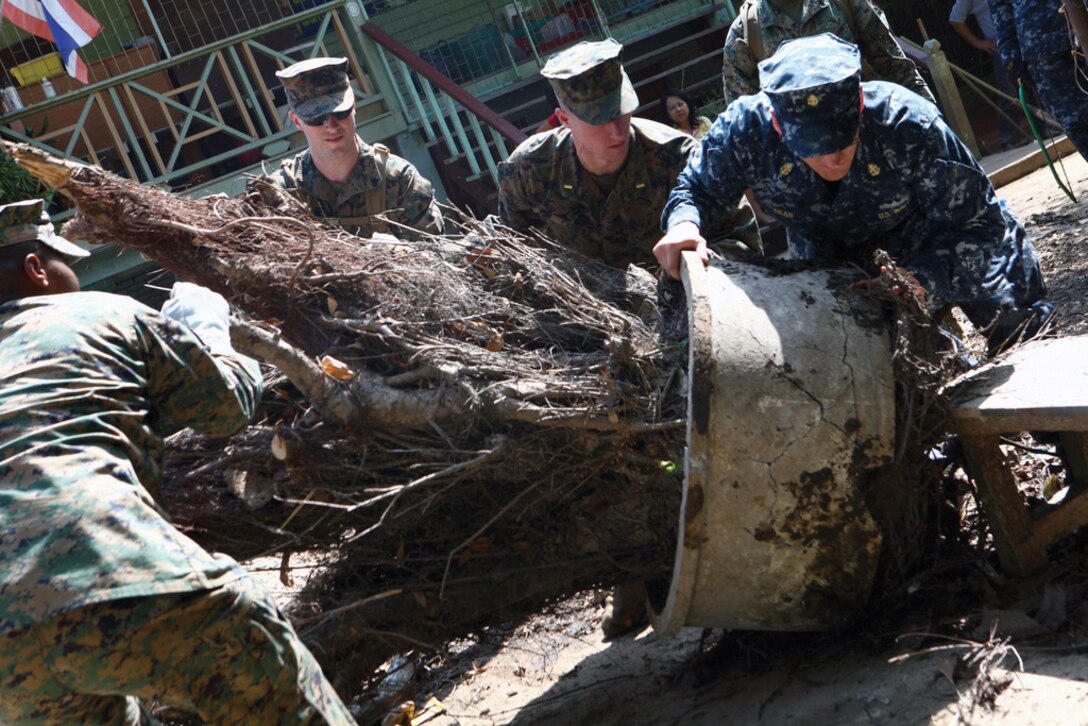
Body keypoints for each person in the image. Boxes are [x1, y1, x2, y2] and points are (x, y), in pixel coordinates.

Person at [0, 198, 355, 724]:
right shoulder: (104, 312)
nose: (74, 272)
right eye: (65, 262)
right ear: (36, 270)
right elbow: (227, 407)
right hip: (119, 580)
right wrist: (204, 324)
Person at [656, 34, 1052, 353]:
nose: (830, 160)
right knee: (856, 370)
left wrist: (924, 279)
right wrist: (682, 224)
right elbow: (695, 189)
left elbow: (980, 224)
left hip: (933, 235)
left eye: (842, 143)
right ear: (777, 122)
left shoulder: (907, 122)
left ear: (859, 103)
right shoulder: (744, 130)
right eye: (812, 147)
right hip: (831, 255)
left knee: (1017, 322)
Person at [498, 39, 760, 270]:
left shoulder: (679, 156)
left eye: (620, 112)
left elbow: (743, 243)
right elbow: (509, 245)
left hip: (680, 311)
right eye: (598, 120)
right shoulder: (528, 170)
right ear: (564, 119)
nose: (616, 131)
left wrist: (693, 270)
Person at [262, 56, 444, 239]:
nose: (331, 126)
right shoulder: (282, 193)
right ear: (297, 122)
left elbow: (435, 253)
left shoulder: (399, 181)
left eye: (340, 112)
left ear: (353, 107)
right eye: (316, 118)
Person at [721, 0, 935, 107]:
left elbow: (898, 70)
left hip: (873, 143)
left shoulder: (844, 4)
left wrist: (932, 123)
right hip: (806, 171)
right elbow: (746, 124)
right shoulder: (745, 35)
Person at [989, 0, 1088, 159]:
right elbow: (1002, 17)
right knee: (1076, 122)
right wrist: (1011, 60)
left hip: (1079, 30)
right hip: (1044, 53)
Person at [948, 0, 1022, 152]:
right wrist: (978, 43)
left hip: (1024, 35)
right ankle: (1009, 138)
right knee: (1009, 91)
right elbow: (955, 19)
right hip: (1000, 45)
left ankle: (1047, 128)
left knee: (1034, 83)